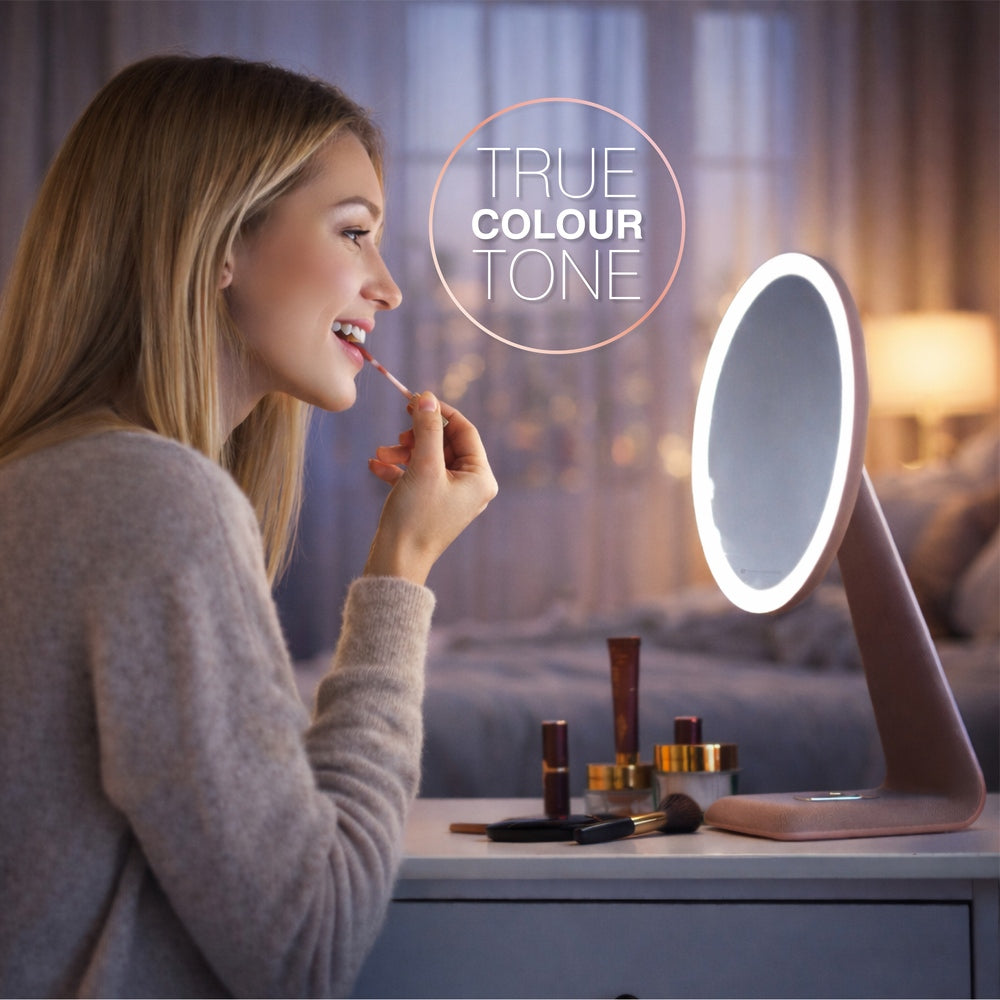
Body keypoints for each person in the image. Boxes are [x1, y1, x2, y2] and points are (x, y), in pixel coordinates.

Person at [0, 54, 497, 998]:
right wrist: (403, 567)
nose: (387, 288)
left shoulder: (39, 481)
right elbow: (306, 944)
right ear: (220, 241)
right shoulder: (154, 501)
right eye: (355, 232)